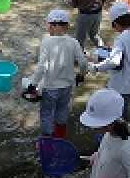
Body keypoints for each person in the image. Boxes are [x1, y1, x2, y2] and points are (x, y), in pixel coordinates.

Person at [26, 9, 88, 139]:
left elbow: (42, 67)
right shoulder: (73, 42)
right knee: (62, 112)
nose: (47, 27)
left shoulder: (47, 42)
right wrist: (81, 75)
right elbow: (83, 62)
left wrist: (32, 84)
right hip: (67, 86)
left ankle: (48, 142)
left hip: (50, 87)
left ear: (55, 25)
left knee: (47, 114)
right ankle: (60, 139)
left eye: (49, 24)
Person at [88, 1, 130, 122]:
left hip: (119, 86)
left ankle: (122, 136)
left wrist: (96, 68)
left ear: (116, 23)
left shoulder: (121, 39)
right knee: (125, 110)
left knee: (116, 114)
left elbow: (114, 62)